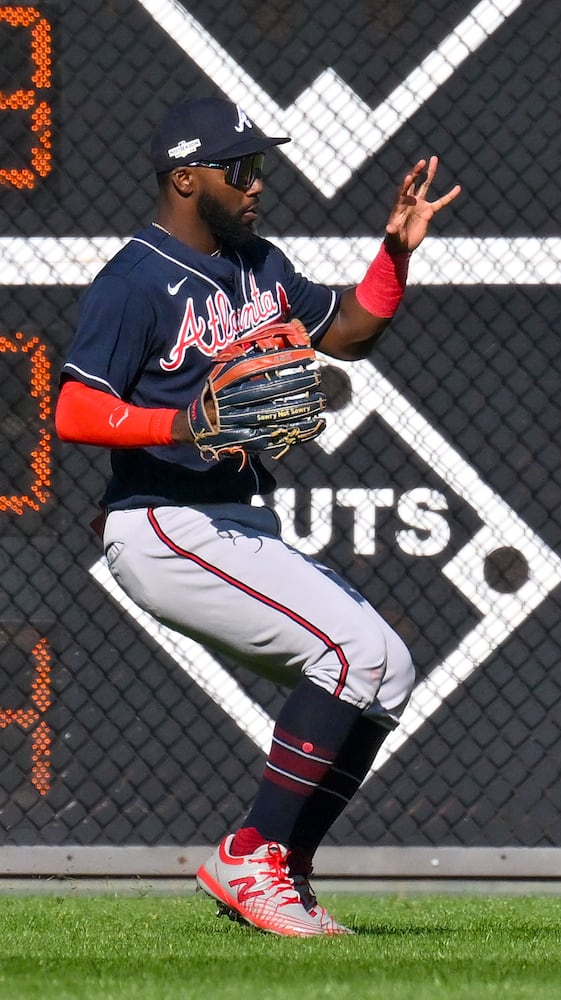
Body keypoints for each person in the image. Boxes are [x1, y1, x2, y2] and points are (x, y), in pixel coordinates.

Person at [55, 97, 461, 936]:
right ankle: (251, 856)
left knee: (385, 665)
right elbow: (73, 410)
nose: (258, 184)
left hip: (235, 523)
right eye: (241, 170)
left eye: (258, 167)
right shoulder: (134, 280)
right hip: (164, 521)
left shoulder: (260, 265)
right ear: (185, 178)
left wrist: (394, 251)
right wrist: (182, 424)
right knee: (348, 652)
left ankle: (284, 873)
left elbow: (347, 331)